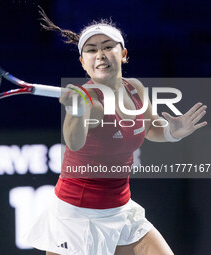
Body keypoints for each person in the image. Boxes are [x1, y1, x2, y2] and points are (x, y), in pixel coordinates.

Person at [24, 9, 208, 255]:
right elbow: (74, 142)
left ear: (123, 54)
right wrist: (77, 112)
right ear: (83, 62)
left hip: (121, 210)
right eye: (91, 50)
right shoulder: (88, 100)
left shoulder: (135, 88)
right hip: (76, 216)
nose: (99, 54)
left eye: (107, 46)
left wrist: (172, 132)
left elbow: (152, 127)